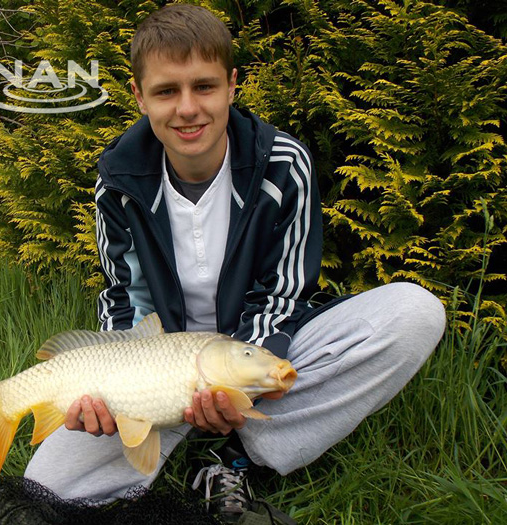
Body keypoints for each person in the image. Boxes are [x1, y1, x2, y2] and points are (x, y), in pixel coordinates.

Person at [25, 4, 446, 522]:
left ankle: (238, 455)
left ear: (232, 85)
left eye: (204, 86)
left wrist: (235, 385)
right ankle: (176, 434)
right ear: (139, 97)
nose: (187, 108)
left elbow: (283, 295)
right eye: (165, 91)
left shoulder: (283, 164)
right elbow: (122, 299)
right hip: (157, 372)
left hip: (252, 357)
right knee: (45, 488)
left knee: (415, 311)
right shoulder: (117, 182)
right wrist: (113, 394)